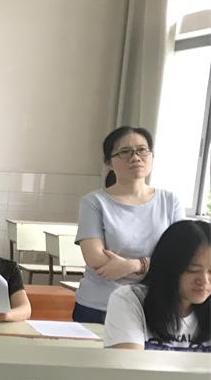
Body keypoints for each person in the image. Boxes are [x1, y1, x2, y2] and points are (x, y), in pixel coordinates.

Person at [74, 126, 185, 324]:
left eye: (142, 150)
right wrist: (153, 265)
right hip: (100, 305)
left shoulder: (170, 202)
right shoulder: (94, 202)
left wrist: (134, 265)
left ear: (151, 156)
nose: (135, 157)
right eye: (125, 152)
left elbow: (180, 257)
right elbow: (95, 257)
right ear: (109, 162)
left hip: (154, 305)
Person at [104, 220, 210, 351]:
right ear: (169, 265)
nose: (204, 281)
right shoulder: (130, 300)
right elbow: (130, 362)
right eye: (193, 269)